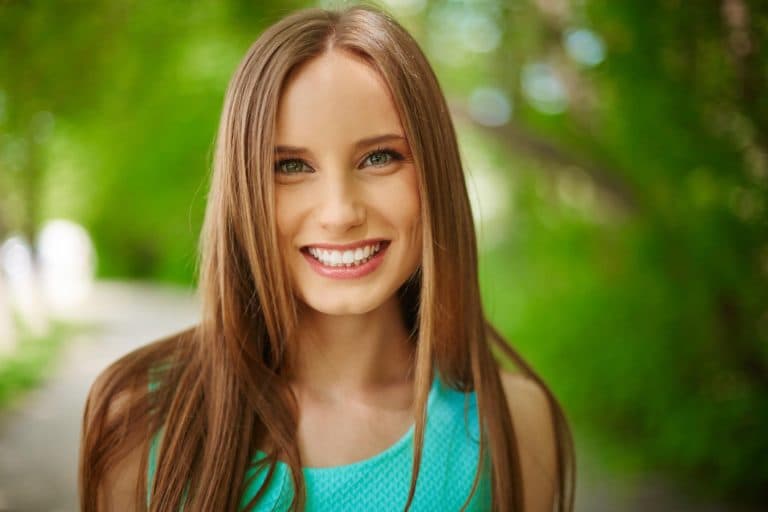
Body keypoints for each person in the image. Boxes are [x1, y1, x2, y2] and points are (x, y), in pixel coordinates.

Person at [78, 4, 575, 511]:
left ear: (435, 173)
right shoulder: (141, 414)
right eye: (291, 165)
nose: (340, 214)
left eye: (380, 157)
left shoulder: (514, 425)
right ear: (242, 192)